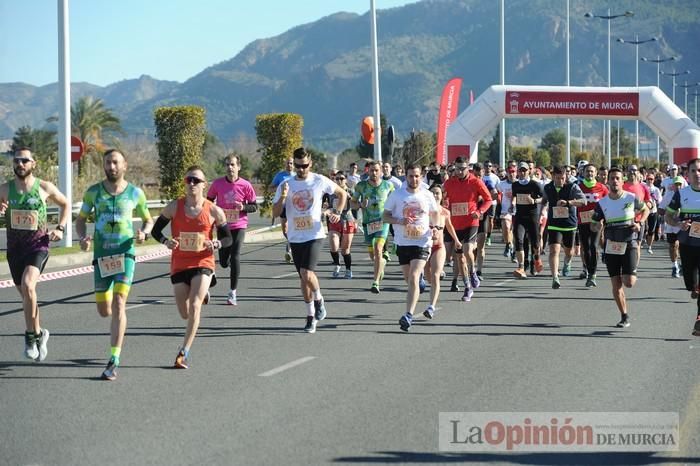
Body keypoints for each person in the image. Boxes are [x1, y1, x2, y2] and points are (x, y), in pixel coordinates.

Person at [76, 149, 154, 381]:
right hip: (102, 257)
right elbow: (80, 220)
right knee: (105, 311)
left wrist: (144, 233)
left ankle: (114, 359)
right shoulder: (93, 193)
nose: (111, 167)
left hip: (125, 254)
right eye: (108, 163)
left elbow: (148, 219)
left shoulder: (135, 193)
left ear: (125, 165)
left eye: (115, 163)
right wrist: (82, 238)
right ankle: (112, 321)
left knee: (120, 303)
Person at [152, 167, 232, 368]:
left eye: (196, 180)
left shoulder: (213, 210)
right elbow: (155, 230)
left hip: (203, 262)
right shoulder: (174, 207)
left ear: (205, 184)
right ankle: (203, 295)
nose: (192, 184)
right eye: (189, 180)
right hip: (180, 263)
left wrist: (216, 244)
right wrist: (166, 241)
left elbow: (229, 238)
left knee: (195, 305)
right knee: (184, 312)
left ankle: (183, 352)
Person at [0, 148, 70, 361]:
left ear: (33, 164)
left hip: (37, 246)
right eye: (16, 161)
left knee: (29, 286)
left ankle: (30, 337)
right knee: (27, 297)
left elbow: (66, 204)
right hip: (14, 250)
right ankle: (40, 333)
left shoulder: (44, 187)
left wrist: (60, 227)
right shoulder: (4, 189)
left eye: (24, 161)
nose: (20, 164)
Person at [272, 147, 347, 333]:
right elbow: (274, 213)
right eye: (298, 166)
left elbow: (342, 194)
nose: (301, 169)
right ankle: (310, 315)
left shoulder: (319, 180)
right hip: (295, 236)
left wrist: (337, 212)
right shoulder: (286, 184)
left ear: (310, 163)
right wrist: (282, 197)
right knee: (303, 278)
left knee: (306, 273)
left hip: (314, 234)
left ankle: (319, 299)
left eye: (304, 165)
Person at [382, 164, 440, 332]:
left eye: (416, 176)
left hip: (422, 241)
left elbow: (435, 213)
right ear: (405, 177)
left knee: (414, 276)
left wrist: (436, 228)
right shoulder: (397, 195)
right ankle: (420, 282)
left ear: (421, 176)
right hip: (402, 242)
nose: (413, 179)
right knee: (410, 280)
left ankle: (408, 315)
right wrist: (399, 221)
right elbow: (385, 216)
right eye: (410, 176)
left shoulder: (427, 195)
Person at [591, 168, 648, 328]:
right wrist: (597, 225)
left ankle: (630, 270)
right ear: (607, 181)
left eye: (617, 178)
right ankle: (624, 316)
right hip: (612, 246)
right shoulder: (602, 203)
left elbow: (646, 209)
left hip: (629, 242)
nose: (615, 181)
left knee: (628, 282)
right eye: (612, 178)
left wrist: (640, 222)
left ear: (622, 181)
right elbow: (594, 226)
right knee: (616, 284)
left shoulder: (631, 198)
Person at [206, 154, 257, 305]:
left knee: (235, 255)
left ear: (238, 167)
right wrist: (214, 213)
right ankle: (222, 264)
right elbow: (208, 202)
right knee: (223, 262)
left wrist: (243, 207)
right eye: (227, 164)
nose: (230, 167)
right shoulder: (217, 184)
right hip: (223, 225)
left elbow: (254, 206)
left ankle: (232, 292)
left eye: (233, 165)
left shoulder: (246, 185)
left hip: (239, 225)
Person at [443, 157, 492, 301]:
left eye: (463, 168)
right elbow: (441, 198)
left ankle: (473, 272)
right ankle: (467, 288)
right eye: (457, 168)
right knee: (460, 258)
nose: (459, 171)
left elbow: (488, 199)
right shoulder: (449, 183)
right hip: (455, 224)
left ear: (468, 168)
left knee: (467, 249)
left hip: (471, 221)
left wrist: (480, 211)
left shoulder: (475, 181)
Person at [664, 158, 700, 336]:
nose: (697, 174)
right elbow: (668, 217)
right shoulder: (682, 194)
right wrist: (679, 224)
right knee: (690, 283)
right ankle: (693, 287)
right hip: (687, 244)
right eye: (694, 171)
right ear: (688, 174)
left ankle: (699, 321)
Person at [351, 161, 395, 293]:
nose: (374, 173)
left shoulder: (388, 186)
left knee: (378, 248)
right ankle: (381, 265)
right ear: (367, 171)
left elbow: (395, 202)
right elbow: (352, 203)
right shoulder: (361, 186)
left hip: (383, 222)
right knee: (374, 256)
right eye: (371, 170)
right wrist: (360, 205)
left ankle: (375, 282)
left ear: (381, 171)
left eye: (376, 170)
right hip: (368, 223)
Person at [541, 166, 586, 289]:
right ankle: (555, 276)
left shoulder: (572, 187)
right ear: (553, 176)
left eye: (563, 178)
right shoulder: (548, 187)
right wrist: (541, 212)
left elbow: (584, 201)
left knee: (568, 251)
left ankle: (567, 262)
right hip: (554, 223)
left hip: (569, 224)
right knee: (554, 250)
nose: (561, 180)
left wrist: (569, 202)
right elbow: (544, 200)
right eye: (558, 178)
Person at [423, 183, 460, 319]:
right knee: (428, 276)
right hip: (425, 246)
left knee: (435, 275)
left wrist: (456, 241)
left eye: (438, 193)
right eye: (432, 193)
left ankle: (431, 306)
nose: (435, 195)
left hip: (439, 247)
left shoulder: (445, 211)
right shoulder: (423, 210)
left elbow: (449, 227)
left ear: (442, 195)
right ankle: (428, 282)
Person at [576, 163, 609, 287]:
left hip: (596, 222)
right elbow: (573, 202)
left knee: (593, 246)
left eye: (592, 171)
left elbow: (607, 204)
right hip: (582, 222)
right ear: (583, 173)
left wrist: (604, 219)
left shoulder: (602, 188)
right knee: (585, 248)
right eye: (587, 171)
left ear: (596, 174)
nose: (589, 174)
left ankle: (592, 274)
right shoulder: (578, 187)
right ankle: (589, 270)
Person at [511, 161, 545, 278]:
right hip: (520, 216)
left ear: (529, 171)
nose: (522, 172)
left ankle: (535, 259)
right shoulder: (515, 185)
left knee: (535, 243)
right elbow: (514, 196)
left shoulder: (534, 184)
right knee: (519, 240)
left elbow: (544, 198)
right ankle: (521, 267)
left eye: (524, 170)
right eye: (520, 170)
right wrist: (512, 204)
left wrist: (535, 201)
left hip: (532, 216)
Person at [325, 171, 356, 278]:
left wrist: (350, 198)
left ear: (346, 180)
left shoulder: (350, 191)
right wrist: (327, 212)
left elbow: (356, 205)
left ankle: (348, 269)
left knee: (345, 249)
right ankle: (337, 264)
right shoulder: (331, 193)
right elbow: (329, 206)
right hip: (334, 221)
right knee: (333, 245)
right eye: (337, 178)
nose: (339, 181)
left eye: (342, 178)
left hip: (348, 221)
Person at [658, 176, 684, 278]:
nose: (678, 186)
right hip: (670, 225)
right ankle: (675, 266)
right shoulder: (668, 196)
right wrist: (668, 213)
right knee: (672, 245)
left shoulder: (686, 195)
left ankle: (683, 264)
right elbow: (660, 209)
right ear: (673, 185)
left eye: (680, 184)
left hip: (682, 225)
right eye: (676, 184)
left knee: (680, 245)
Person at [270, 157, 294, 263]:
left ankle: (290, 249)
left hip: (294, 205)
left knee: (293, 227)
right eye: (288, 163)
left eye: (291, 163)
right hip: (283, 204)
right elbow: (271, 188)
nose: (289, 165)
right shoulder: (280, 176)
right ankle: (291, 242)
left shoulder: (298, 175)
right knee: (285, 230)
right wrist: (280, 187)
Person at [497, 165, 517, 261]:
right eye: (510, 172)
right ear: (507, 173)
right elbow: (496, 192)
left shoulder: (519, 183)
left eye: (513, 172)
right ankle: (509, 244)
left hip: (517, 210)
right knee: (506, 227)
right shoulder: (502, 184)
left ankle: (513, 249)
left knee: (513, 231)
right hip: (506, 210)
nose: (511, 174)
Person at [481, 161, 500, 246]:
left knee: (491, 220)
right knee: (483, 219)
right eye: (486, 166)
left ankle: (489, 237)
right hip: (482, 202)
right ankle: (482, 236)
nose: (488, 167)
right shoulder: (481, 177)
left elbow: (499, 189)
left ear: (491, 167)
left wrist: (496, 196)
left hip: (492, 202)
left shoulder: (495, 177)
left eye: (489, 166)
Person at [644, 174, 662, 255]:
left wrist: (656, 198)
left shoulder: (656, 189)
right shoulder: (643, 187)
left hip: (653, 212)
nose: (650, 180)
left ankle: (649, 247)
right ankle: (641, 242)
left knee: (651, 230)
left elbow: (660, 201)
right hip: (643, 212)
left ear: (654, 180)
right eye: (648, 179)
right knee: (644, 229)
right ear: (646, 179)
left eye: (651, 179)